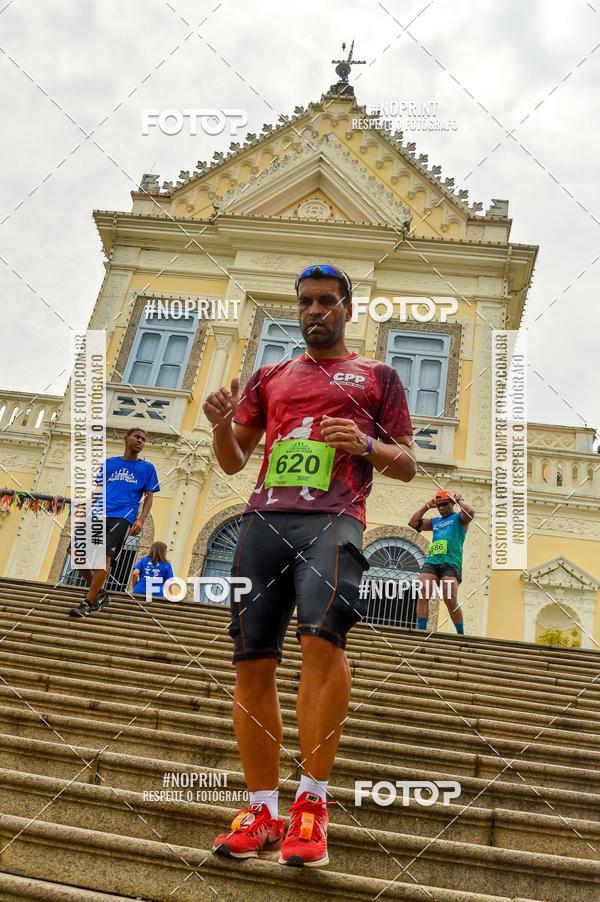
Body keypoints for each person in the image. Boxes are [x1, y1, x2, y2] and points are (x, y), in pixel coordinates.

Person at [203, 263, 416, 867]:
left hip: (334, 520)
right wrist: (222, 425)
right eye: (304, 302)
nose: (314, 311)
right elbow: (232, 460)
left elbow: (407, 463)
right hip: (263, 521)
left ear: (347, 308)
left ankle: (311, 808)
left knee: (323, 644)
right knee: (251, 659)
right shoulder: (270, 375)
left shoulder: (378, 375)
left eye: (326, 301)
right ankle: (263, 811)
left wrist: (366, 445)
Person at [68, 428, 160, 618]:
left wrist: (141, 519)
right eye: (137, 437)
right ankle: (99, 592)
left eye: (143, 439)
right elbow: (97, 490)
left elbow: (149, 497)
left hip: (123, 516)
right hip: (97, 513)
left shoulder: (147, 468)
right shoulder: (109, 463)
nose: (140, 441)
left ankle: (88, 602)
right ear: (126, 439)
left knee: (104, 556)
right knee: (75, 552)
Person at [408, 489, 475, 635]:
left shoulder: (460, 518)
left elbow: (470, 511)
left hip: (451, 563)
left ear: (452, 503)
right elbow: (413, 523)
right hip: (432, 562)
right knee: (423, 594)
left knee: (450, 599)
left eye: (445, 504)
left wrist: (460, 499)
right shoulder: (435, 522)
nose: (441, 508)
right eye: (439, 506)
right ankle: (421, 632)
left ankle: (460, 634)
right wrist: (427, 506)